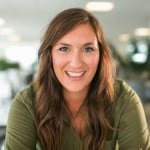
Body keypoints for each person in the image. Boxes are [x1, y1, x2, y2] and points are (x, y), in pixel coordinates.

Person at [4, 8, 150, 150]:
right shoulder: (26, 103)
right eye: (64, 49)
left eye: (88, 49)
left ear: (100, 55)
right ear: (50, 55)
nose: (76, 63)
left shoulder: (123, 99)